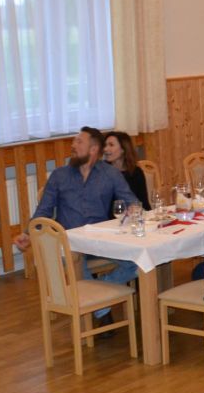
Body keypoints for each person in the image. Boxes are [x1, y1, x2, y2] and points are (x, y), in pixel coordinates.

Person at [13, 127, 141, 315]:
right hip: (69, 244)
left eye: (79, 141)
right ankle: (101, 312)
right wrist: (27, 234)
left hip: (100, 241)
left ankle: (98, 300)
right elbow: (43, 211)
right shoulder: (59, 176)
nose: (73, 145)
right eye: (74, 141)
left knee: (139, 262)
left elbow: (132, 202)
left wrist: (132, 209)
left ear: (93, 149)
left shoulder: (110, 174)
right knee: (77, 265)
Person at [104, 131, 149, 207]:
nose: (105, 149)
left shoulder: (136, 172)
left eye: (111, 145)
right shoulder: (102, 171)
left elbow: (144, 203)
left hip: (133, 213)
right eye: (105, 145)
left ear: (123, 149)